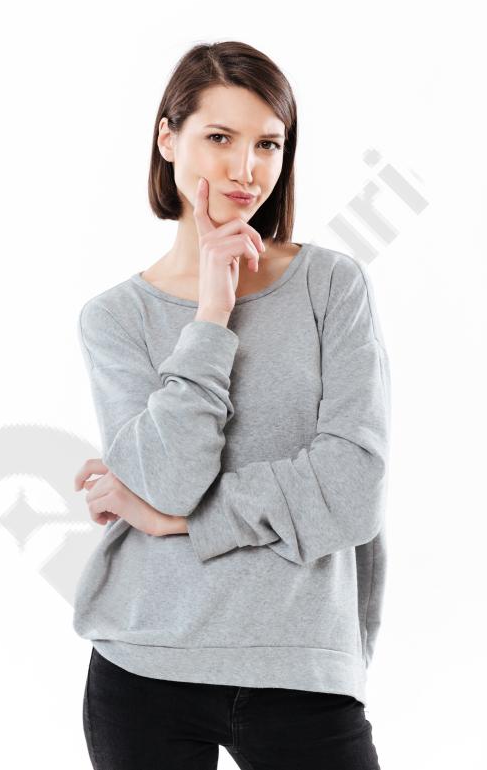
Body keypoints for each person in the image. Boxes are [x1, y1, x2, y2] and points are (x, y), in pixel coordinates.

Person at [73, 40, 391, 770]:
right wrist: (211, 313)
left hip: (301, 666)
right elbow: (170, 473)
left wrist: (181, 521)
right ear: (167, 137)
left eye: (268, 143)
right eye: (219, 137)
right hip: (144, 663)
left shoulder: (330, 287)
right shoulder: (114, 318)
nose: (246, 169)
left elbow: (354, 488)